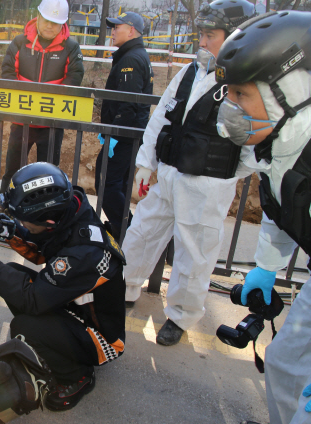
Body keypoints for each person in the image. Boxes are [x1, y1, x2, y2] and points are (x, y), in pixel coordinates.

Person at [120, 0, 260, 347]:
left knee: (193, 254)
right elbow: (161, 116)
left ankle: (180, 316)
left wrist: (223, 175)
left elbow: (255, 146)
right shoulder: (190, 72)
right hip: (167, 173)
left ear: (235, 37)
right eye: (202, 34)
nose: (202, 42)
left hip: (205, 183)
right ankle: (124, 289)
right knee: (142, 233)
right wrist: (146, 162)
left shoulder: (248, 84)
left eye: (209, 36)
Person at [0, 162, 126, 412]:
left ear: (48, 220)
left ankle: (78, 378)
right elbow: (44, 249)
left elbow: (33, 299)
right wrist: (8, 232)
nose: (20, 223)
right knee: (15, 276)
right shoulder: (71, 210)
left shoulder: (85, 253)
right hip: (77, 310)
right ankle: (57, 345)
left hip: (103, 339)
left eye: (23, 220)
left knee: (25, 324)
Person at [214, 10, 311, 424]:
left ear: (287, 94)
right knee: (285, 364)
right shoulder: (282, 151)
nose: (230, 107)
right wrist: (267, 269)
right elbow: (281, 208)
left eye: (241, 94)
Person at [0, 0, 84, 194]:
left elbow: (75, 76)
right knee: (12, 171)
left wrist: (52, 100)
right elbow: (8, 71)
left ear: (62, 24)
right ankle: (4, 212)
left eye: (55, 22)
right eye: (46, 20)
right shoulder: (20, 42)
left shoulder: (70, 48)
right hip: (21, 122)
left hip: (51, 125)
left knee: (48, 175)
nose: (49, 26)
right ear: (38, 16)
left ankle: (43, 218)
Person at [94, 11, 153, 242]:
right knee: (118, 186)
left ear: (131, 30)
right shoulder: (134, 55)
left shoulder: (131, 59)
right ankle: (127, 231)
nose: (112, 31)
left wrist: (113, 134)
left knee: (107, 184)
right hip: (129, 135)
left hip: (125, 135)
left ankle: (126, 234)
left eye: (117, 27)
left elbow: (128, 103)